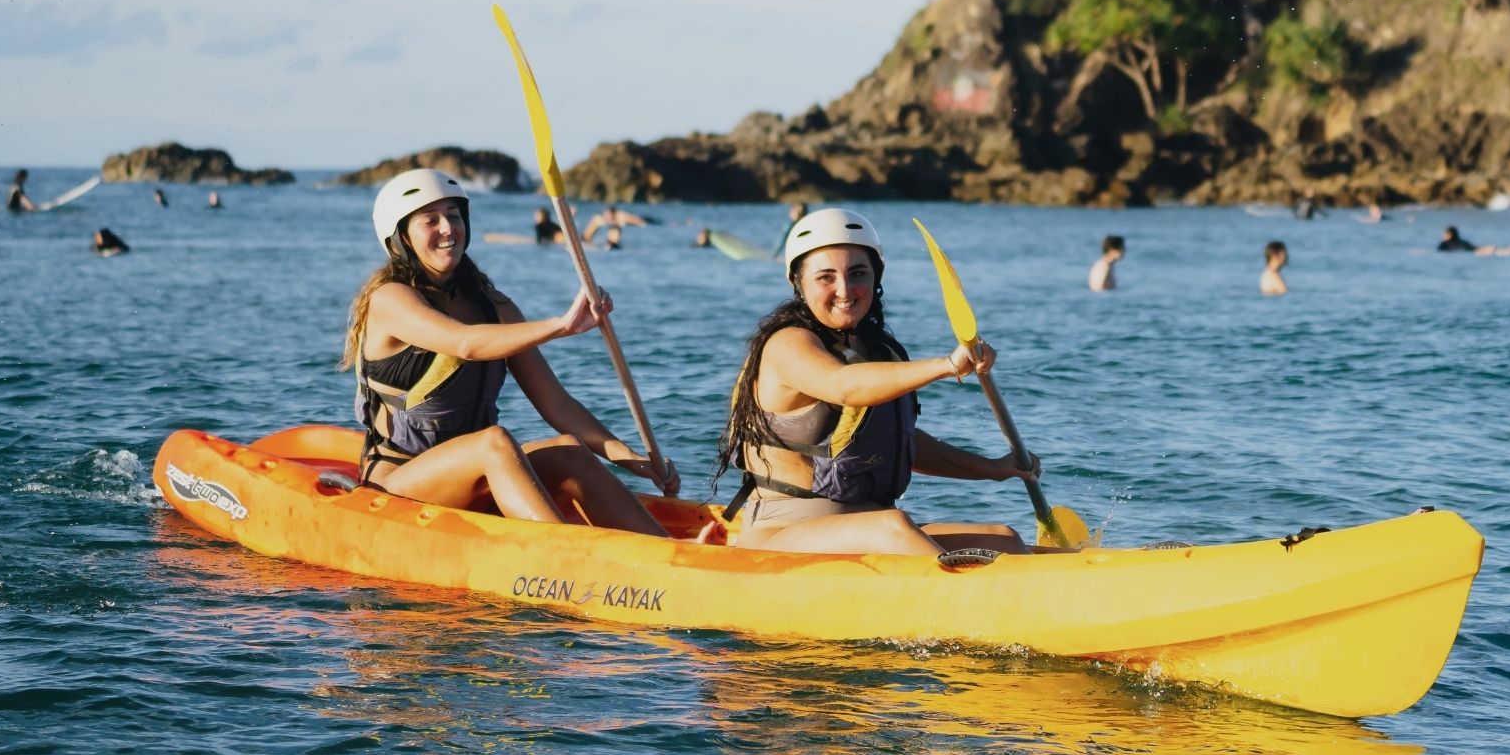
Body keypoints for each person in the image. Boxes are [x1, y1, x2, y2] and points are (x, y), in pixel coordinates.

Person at [341, 169, 671, 536]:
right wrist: (562, 325)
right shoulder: (389, 299)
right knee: (493, 442)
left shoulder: (494, 306)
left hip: (476, 474)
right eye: (430, 221)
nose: (448, 228)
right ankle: (566, 559)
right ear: (401, 236)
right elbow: (464, 343)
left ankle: (669, 551)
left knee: (568, 450)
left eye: (453, 215)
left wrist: (631, 459)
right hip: (399, 482)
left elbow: (557, 405)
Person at [715, 208, 1037, 556]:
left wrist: (995, 468)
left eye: (858, 274)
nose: (844, 290)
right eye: (826, 277)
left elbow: (899, 441)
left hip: (867, 524)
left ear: (876, 278)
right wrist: (946, 365)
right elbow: (842, 384)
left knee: (1003, 538)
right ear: (798, 282)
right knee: (893, 527)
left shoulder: (874, 349)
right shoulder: (787, 344)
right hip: (782, 535)